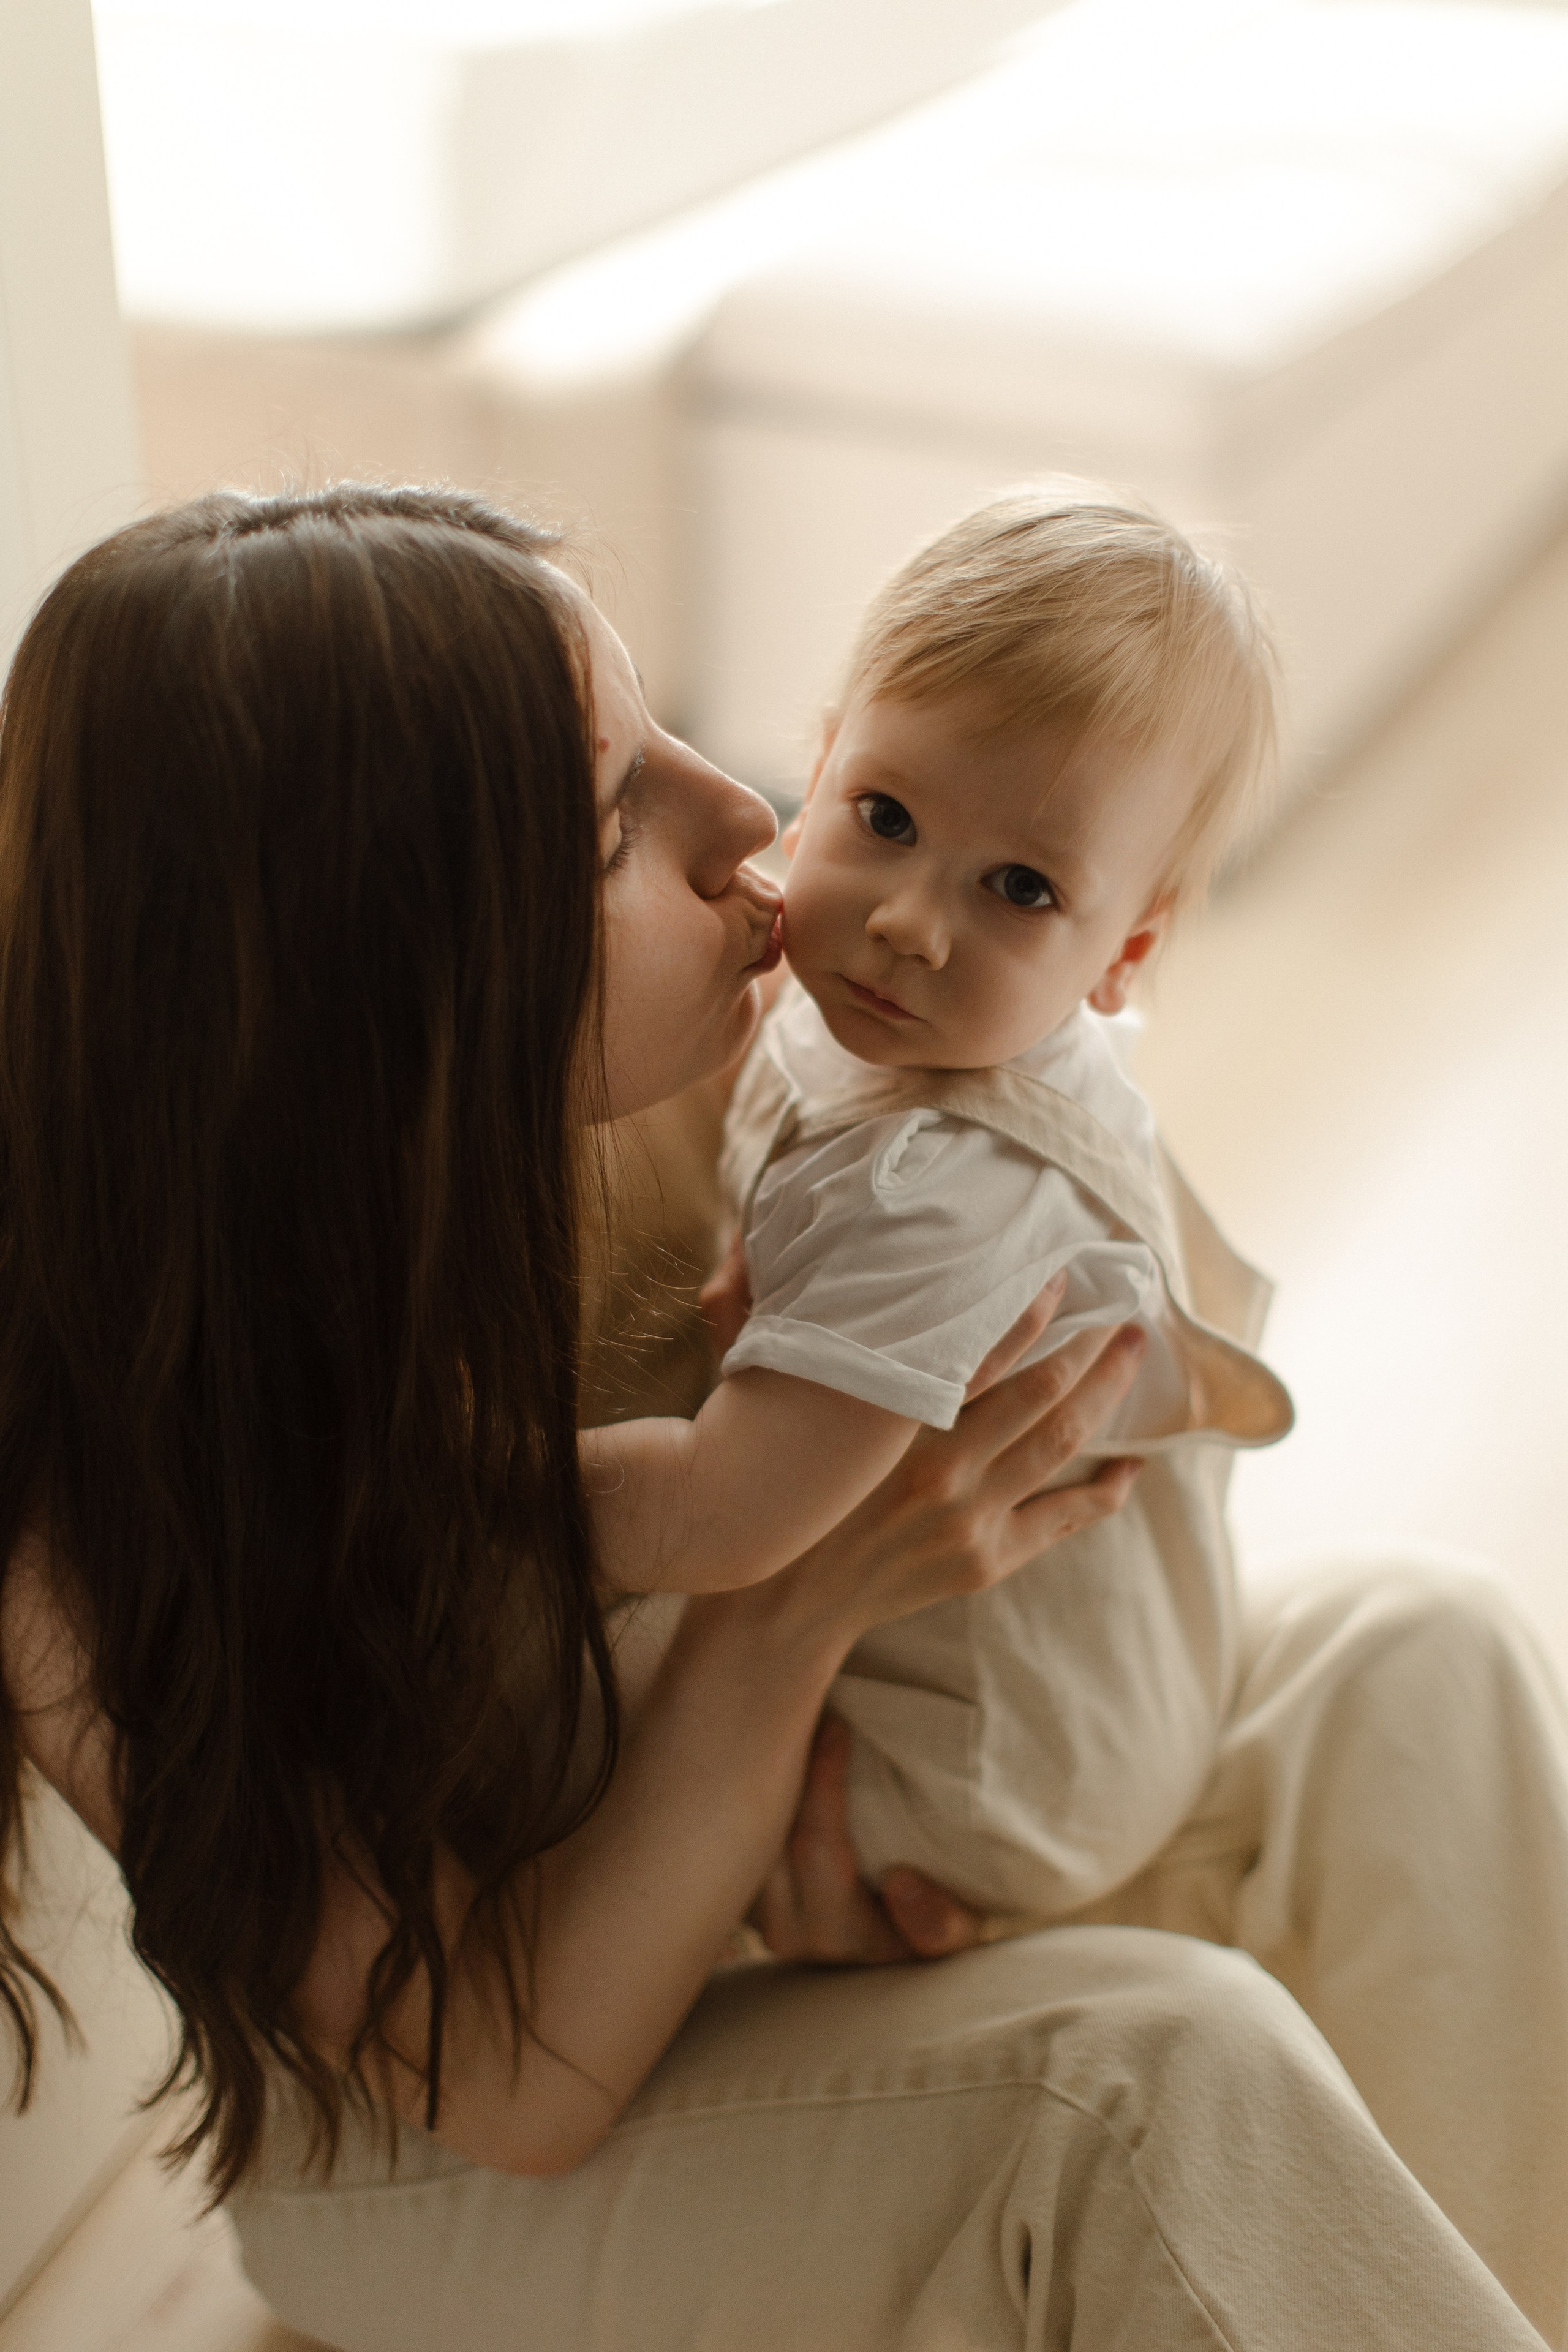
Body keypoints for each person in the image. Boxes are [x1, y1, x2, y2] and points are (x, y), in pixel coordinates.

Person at [0, 485, 1558, 2352]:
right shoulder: (84, 1530)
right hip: (457, 2152)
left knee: (1418, 1651)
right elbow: (513, 2080)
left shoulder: (717, 1071)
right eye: (612, 816)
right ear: (396, 983)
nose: (746, 815)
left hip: (736, 1884)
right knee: (1151, 2077)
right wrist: (800, 1607)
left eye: (667, 726)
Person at [586, 486, 1295, 1928]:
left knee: (580, 1692)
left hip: (994, 1756)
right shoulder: (849, 997)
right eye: (886, 816)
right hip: (1096, 1657)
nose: (910, 920)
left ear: (1121, 954)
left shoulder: (947, 1184)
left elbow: (721, 1513)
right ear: (823, 756)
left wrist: (443, 1492)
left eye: (1019, 888)